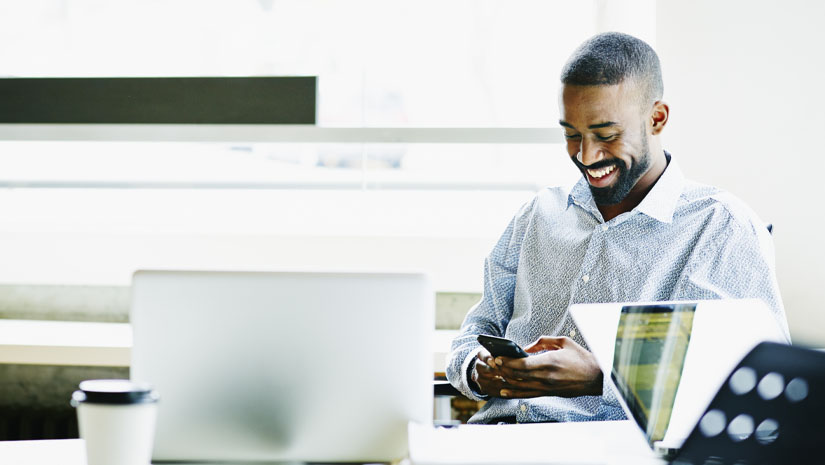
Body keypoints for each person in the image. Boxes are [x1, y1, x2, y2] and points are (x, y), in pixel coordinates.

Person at [446, 31, 790, 424]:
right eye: (571, 135)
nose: (586, 155)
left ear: (656, 118)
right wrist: (476, 368)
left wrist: (601, 379)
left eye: (607, 136)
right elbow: (477, 327)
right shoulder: (538, 214)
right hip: (492, 442)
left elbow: (758, 384)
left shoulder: (719, 227)